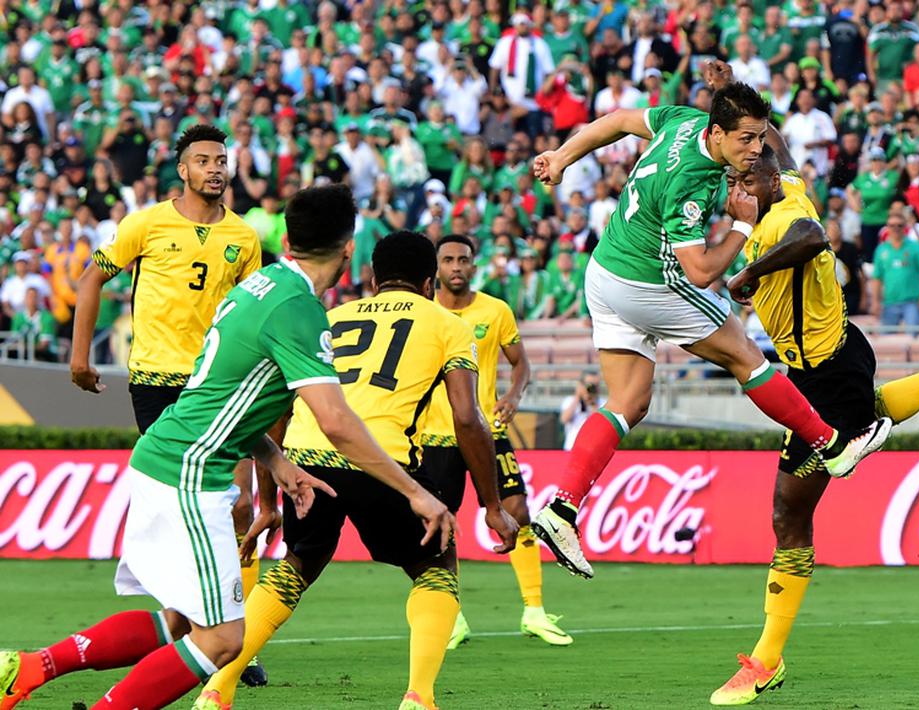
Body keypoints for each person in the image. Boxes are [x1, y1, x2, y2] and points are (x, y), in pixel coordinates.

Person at [0, 185, 456, 710]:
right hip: (190, 472)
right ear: (349, 248)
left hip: (170, 454)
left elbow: (224, 394)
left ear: (287, 238)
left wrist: (278, 462)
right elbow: (336, 422)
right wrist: (414, 493)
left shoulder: (259, 284)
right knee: (221, 640)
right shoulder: (299, 309)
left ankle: (33, 667)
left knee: (180, 620)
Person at [528, 66, 888, 579]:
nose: (755, 150)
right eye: (746, 140)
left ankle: (562, 507)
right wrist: (741, 224)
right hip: (650, 281)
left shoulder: (682, 121)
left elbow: (618, 120)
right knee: (746, 357)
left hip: (605, 273)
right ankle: (832, 446)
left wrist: (562, 157)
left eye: (760, 139)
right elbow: (699, 272)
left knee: (628, 401)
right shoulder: (694, 180)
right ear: (717, 134)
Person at [712, 131, 919, 706]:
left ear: (767, 185)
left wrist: (743, 278)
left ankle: (765, 661)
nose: (738, 188)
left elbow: (812, 237)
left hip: (825, 371)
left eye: (747, 179)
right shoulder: (791, 189)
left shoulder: (785, 220)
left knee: (788, 515)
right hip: (828, 366)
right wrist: (737, 99)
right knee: (864, 419)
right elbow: (779, 149)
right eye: (734, 181)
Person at [193, 230, 517, 710]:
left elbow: (276, 409)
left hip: (305, 456)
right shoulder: (448, 323)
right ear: (428, 282)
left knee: (297, 566)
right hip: (377, 458)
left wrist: (267, 499)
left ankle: (218, 688)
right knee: (436, 564)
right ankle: (419, 697)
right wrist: (493, 506)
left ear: (371, 277)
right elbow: (468, 418)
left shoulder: (330, 316)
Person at [65, 124, 274, 688]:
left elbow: (253, 311)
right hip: (159, 381)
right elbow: (91, 280)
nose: (215, 168)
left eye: (221, 159)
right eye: (203, 160)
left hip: (221, 381)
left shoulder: (243, 236)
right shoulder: (146, 223)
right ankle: (201, 627)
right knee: (203, 503)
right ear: (182, 169)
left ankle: (231, 632)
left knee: (238, 507)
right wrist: (80, 357)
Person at [421, 235, 572, 649]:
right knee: (438, 525)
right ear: (436, 267)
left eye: (463, 259)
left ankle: (534, 611)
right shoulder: (425, 314)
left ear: (474, 265)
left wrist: (513, 395)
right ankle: (451, 617)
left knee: (517, 510)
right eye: (448, 259)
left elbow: (520, 362)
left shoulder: (495, 310)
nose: (456, 266)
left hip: (488, 431)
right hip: (433, 436)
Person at [870, 212, 919, 329]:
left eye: (899, 225)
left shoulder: (915, 247)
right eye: (892, 225)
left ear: (905, 227)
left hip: (912, 302)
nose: (896, 229)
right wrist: (875, 301)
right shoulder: (881, 249)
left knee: (913, 337)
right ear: (887, 227)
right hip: (889, 302)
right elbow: (877, 278)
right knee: (886, 339)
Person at [560, 373, 604, 450]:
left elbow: (599, 425)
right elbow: (564, 419)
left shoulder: (603, 403)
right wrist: (577, 397)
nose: (591, 388)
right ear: (581, 384)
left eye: (595, 385)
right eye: (589, 385)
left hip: (593, 450)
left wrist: (593, 402)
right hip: (571, 447)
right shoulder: (570, 401)